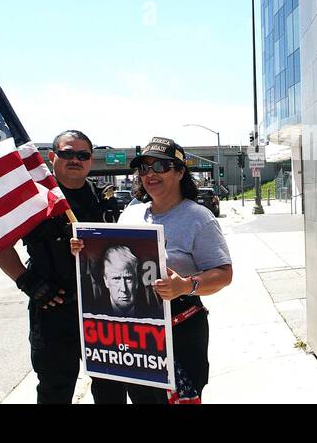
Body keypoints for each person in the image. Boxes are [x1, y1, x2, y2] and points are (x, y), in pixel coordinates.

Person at [75, 136, 233, 404]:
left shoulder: (198, 217)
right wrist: (85, 249)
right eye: (144, 168)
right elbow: (112, 259)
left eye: (160, 166)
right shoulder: (132, 213)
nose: (150, 174)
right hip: (138, 335)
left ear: (180, 172)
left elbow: (224, 274)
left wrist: (186, 285)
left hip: (181, 331)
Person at [0, 130, 105, 404]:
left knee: (109, 385)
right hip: (52, 309)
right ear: (52, 157)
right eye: (67, 153)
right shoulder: (33, 198)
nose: (75, 160)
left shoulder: (103, 199)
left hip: (100, 309)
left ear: (91, 161)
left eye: (82, 155)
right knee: (55, 388)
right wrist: (26, 281)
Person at [95, 244, 162, 320]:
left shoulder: (153, 312)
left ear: (136, 281)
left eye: (128, 278)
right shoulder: (92, 311)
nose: (123, 289)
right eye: (116, 279)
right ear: (106, 281)